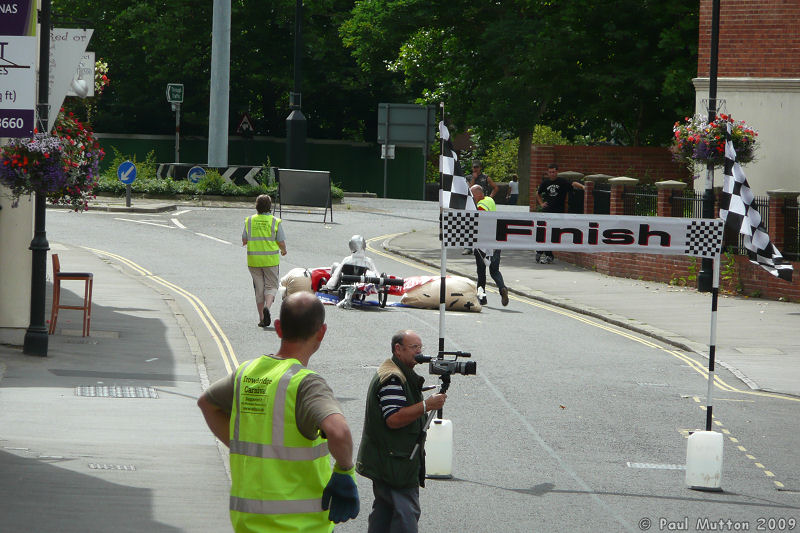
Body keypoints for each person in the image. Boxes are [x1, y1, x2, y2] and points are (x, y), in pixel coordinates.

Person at [197, 292, 360, 532]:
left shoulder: (247, 372)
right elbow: (338, 430)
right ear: (322, 332)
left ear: (278, 328)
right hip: (300, 527)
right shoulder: (306, 383)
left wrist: (242, 447)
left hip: (248, 523)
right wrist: (345, 470)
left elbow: (206, 403)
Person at [356, 330, 447, 533]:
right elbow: (394, 419)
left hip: (389, 458)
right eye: (414, 347)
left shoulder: (398, 372)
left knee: (384, 511)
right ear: (398, 349)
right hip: (394, 462)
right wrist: (426, 406)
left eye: (420, 347)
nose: (419, 352)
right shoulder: (393, 378)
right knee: (406, 515)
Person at [242, 194, 287, 327]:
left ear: (256, 206)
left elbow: (244, 240)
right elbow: (281, 242)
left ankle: (262, 317)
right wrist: (283, 251)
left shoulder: (249, 220)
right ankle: (267, 307)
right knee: (271, 286)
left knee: (259, 289)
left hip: (254, 260)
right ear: (269, 206)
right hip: (270, 260)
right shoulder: (275, 221)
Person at [536, 163, 585, 264]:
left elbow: (573, 184)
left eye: (553, 172)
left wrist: (584, 187)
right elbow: (538, 193)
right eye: (550, 172)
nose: (552, 174)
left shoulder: (562, 182)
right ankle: (545, 253)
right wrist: (541, 203)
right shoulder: (545, 183)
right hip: (547, 211)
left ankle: (542, 251)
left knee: (553, 233)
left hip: (558, 212)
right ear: (548, 173)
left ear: (556, 172)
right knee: (544, 231)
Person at [470, 185, 510, 306]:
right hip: (496, 240)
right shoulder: (490, 200)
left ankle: (482, 298)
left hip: (483, 242)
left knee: (481, 272)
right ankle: (502, 288)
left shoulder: (481, 205)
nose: (471, 197)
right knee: (494, 270)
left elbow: (480, 219)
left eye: (472, 194)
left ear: (479, 194)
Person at [324, 234, 378, 308]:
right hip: (361, 282)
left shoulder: (347, 260)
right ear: (363, 246)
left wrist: (329, 286)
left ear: (351, 246)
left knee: (335, 265)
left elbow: (336, 275)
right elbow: (376, 274)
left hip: (345, 281)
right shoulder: (368, 261)